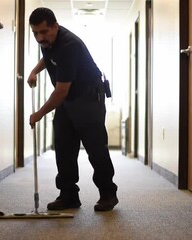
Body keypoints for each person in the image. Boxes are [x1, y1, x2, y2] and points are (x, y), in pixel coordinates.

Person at [27, 7, 118, 212]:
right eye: (35, 33)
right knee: (63, 145)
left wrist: (38, 114)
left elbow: (60, 92)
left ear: (55, 27)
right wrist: (34, 71)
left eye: (43, 32)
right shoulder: (49, 41)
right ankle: (68, 195)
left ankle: (108, 193)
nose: (39, 38)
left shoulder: (69, 45)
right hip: (69, 99)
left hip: (88, 97)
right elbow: (49, 56)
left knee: (95, 148)